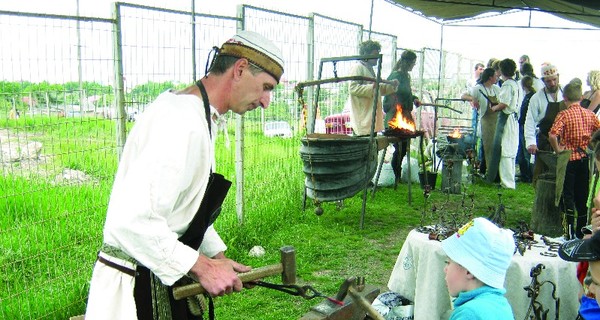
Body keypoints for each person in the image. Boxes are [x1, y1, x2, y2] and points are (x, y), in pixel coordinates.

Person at [85, 30, 285, 319]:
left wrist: (217, 257)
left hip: (158, 279)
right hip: (134, 292)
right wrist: (202, 267)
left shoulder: (199, 117)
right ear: (240, 69)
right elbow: (130, 221)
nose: (266, 101)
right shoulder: (179, 121)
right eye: (266, 87)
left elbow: (182, 209)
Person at [549, 80, 600, 239]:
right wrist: (589, 143)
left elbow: (552, 134)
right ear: (580, 97)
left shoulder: (564, 114)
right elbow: (598, 133)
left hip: (569, 159)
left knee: (568, 195)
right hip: (585, 159)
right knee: (582, 196)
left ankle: (569, 231)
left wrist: (558, 149)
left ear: (565, 98)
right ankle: (581, 231)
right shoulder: (590, 114)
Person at [441, 217, 515, 320]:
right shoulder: (501, 305)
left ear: (469, 271)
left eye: (448, 263)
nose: (445, 269)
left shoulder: (468, 314)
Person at [347, 40, 397, 136]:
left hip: (370, 118)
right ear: (366, 54)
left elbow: (377, 89)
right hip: (363, 118)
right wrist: (372, 86)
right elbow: (353, 88)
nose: (377, 58)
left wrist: (391, 86)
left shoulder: (369, 69)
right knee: (363, 147)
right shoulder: (358, 68)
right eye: (375, 54)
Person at [383, 50, 418, 182]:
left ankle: (397, 175)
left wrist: (414, 99)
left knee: (403, 148)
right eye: (412, 63)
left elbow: (407, 93)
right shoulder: (395, 75)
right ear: (405, 62)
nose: (413, 65)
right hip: (395, 115)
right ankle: (396, 174)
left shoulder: (406, 76)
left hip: (405, 116)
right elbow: (391, 94)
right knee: (400, 147)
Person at [524, 64, 563, 178]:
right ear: (543, 81)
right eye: (548, 81)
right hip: (545, 141)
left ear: (558, 77)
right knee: (542, 174)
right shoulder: (537, 98)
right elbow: (529, 121)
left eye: (554, 79)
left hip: (564, 141)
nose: (552, 83)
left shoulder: (565, 93)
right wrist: (531, 142)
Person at [486, 58, 520, 189]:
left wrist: (494, 108)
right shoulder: (515, 84)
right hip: (513, 118)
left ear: (501, 70)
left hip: (506, 118)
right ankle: (509, 180)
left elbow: (504, 103)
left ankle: (507, 183)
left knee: (505, 149)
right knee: (510, 149)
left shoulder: (507, 85)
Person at [462, 68, 501, 177]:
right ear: (490, 77)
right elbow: (463, 96)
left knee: (494, 147)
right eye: (495, 76)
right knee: (486, 147)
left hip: (495, 122)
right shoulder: (478, 89)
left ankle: (492, 172)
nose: (497, 77)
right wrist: (472, 99)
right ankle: (485, 171)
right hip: (485, 122)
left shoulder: (496, 89)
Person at [516, 76, 536, 183]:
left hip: (525, 125)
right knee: (522, 152)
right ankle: (524, 174)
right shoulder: (528, 96)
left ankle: (528, 175)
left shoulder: (530, 97)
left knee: (525, 151)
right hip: (522, 124)